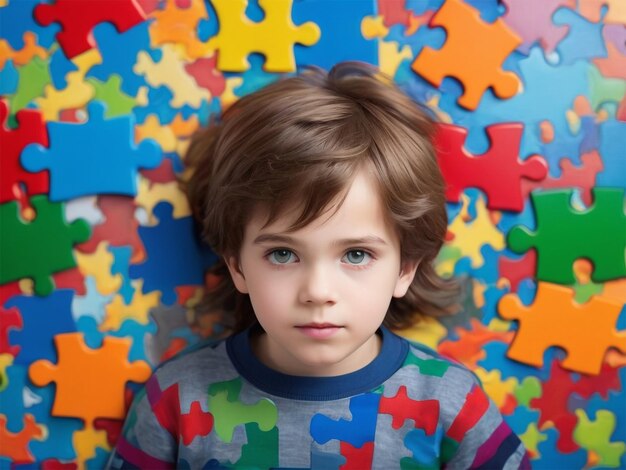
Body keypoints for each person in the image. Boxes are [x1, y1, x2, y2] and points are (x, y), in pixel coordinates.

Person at [107, 61, 528, 469]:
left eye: (356, 254)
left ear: (406, 267)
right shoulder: (175, 398)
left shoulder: (453, 403)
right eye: (283, 254)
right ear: (236, 264)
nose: (318, 291)